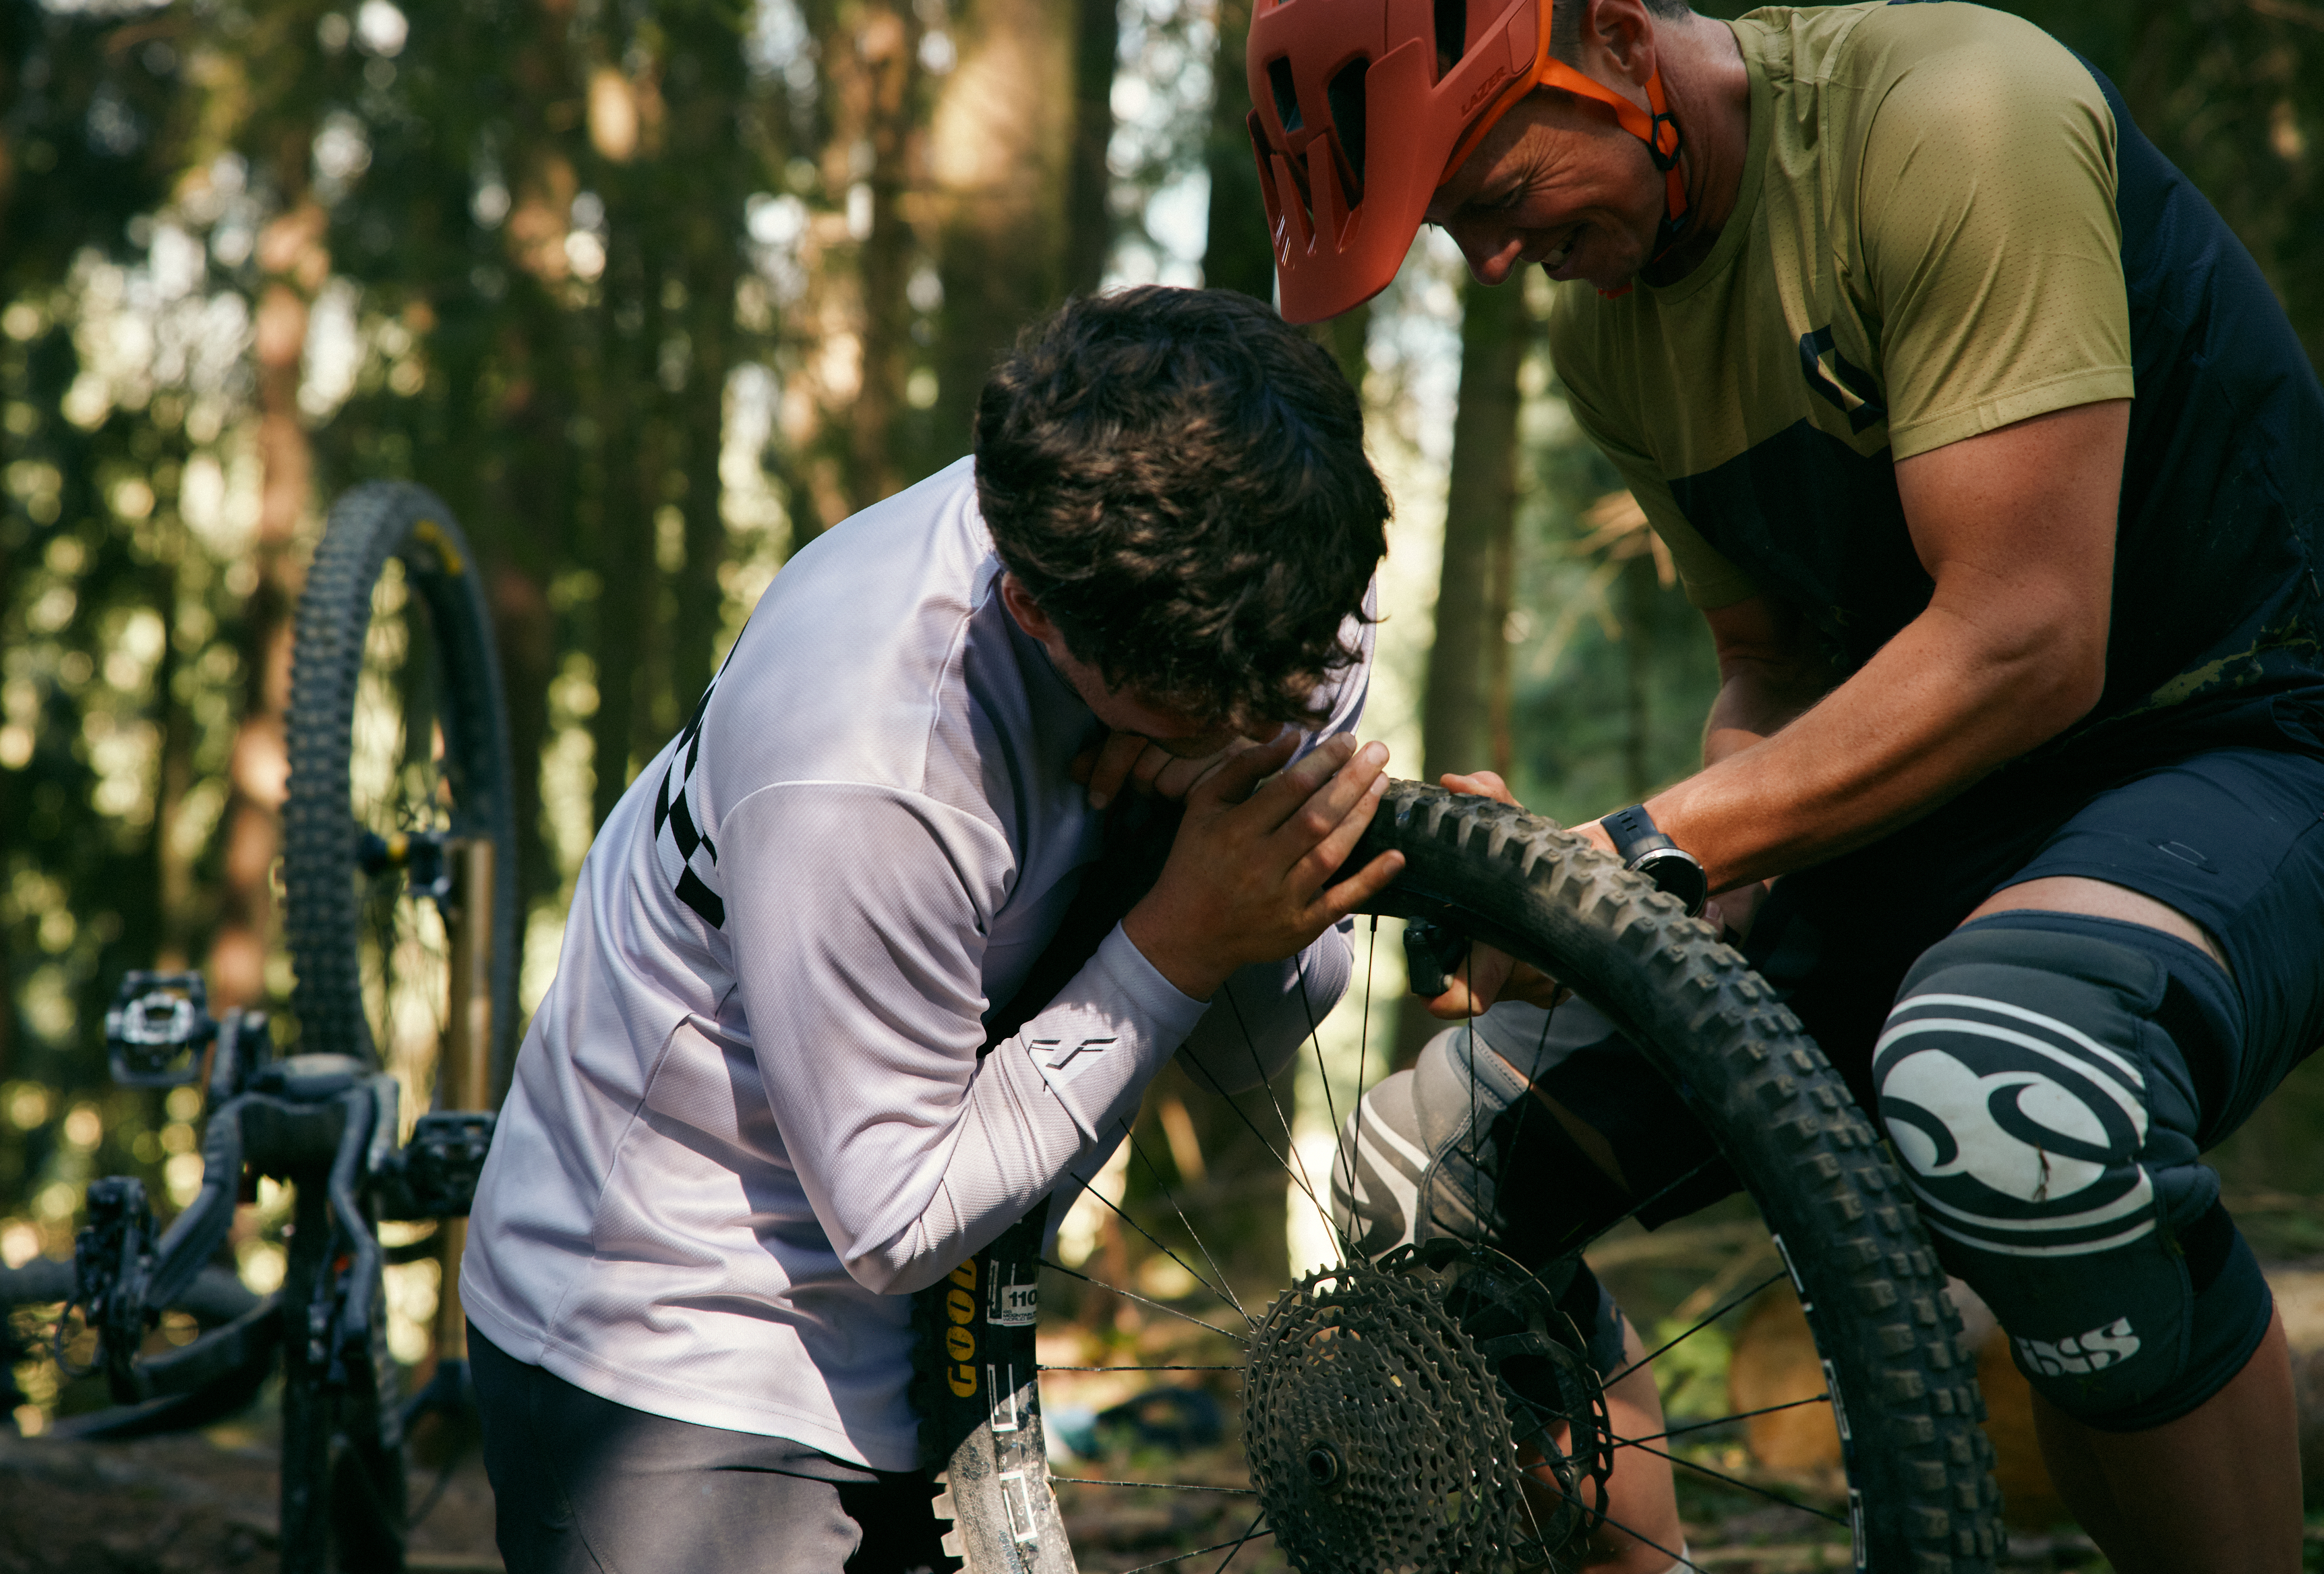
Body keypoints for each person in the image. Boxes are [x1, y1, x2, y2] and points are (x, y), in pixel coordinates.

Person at [1242, 0, 2324, 1569]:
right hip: (1926, 809)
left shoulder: (1955, 113)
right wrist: (1656, 907)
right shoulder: (1607, 328)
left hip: (2238, 733)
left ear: (1614, 42)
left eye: (1493, 193)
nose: (1485, 262)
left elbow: (2026, 637)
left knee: (2010, 1087)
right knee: (1419, 1169)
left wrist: (1640, 852)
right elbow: (1773, 670)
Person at [455, 285, 1404, 1574]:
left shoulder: (1264, 587)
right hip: (683, 1318)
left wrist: (1260, 862)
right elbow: (894, 1217)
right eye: (1203, 706)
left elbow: (1240, 1055)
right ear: (1039, 617)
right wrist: (1179, 931)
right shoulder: (868, 750)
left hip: (938, 1311)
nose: (1269, 718)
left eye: (1295, 682)